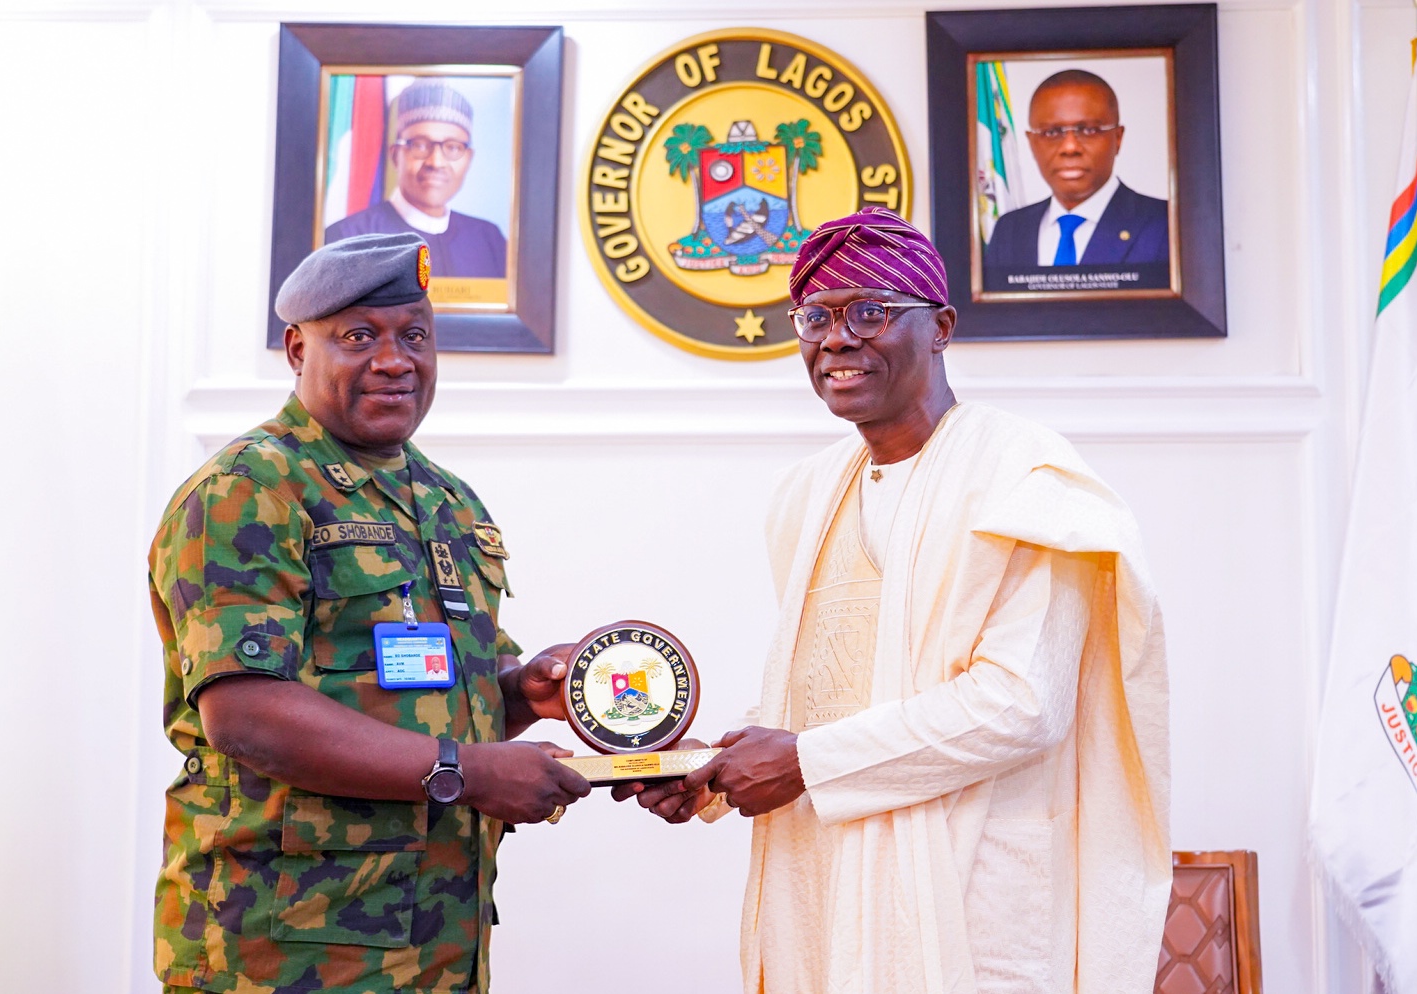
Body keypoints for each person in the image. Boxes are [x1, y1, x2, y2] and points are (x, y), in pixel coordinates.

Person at [619, 208, 1171, 993]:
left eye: (869, 312)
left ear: (940, 326)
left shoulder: (1026, 477)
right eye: (814, 317)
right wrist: (712, 768)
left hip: (968, 890)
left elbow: (1021, 704)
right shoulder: (805, 492)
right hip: (827, 879)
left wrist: (804, 762)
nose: (836, 339)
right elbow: (834, 684)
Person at [149, 231, 589, 993]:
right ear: (295, 349)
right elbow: (247, 715)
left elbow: (436, 698)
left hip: (432, 940)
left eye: (414, 336)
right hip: (284, 950)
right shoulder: (250, 488)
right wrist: (467, 770)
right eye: (358, 336)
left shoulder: (446, 500)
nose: (394, 360)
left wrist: (524, 693)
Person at [985, 69, 1169, 269]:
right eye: (1052, 132)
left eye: (1088, 130)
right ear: (1032, 142)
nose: (1069, 147)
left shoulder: (1167, 224)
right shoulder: (1010, 230)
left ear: (1118, 138)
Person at [324, 80, 508, 278]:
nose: (436, 162)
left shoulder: (489, 239)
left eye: (453, 147)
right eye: (420, 145)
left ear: (468, 159)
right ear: (396, 156)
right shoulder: (347, 238)